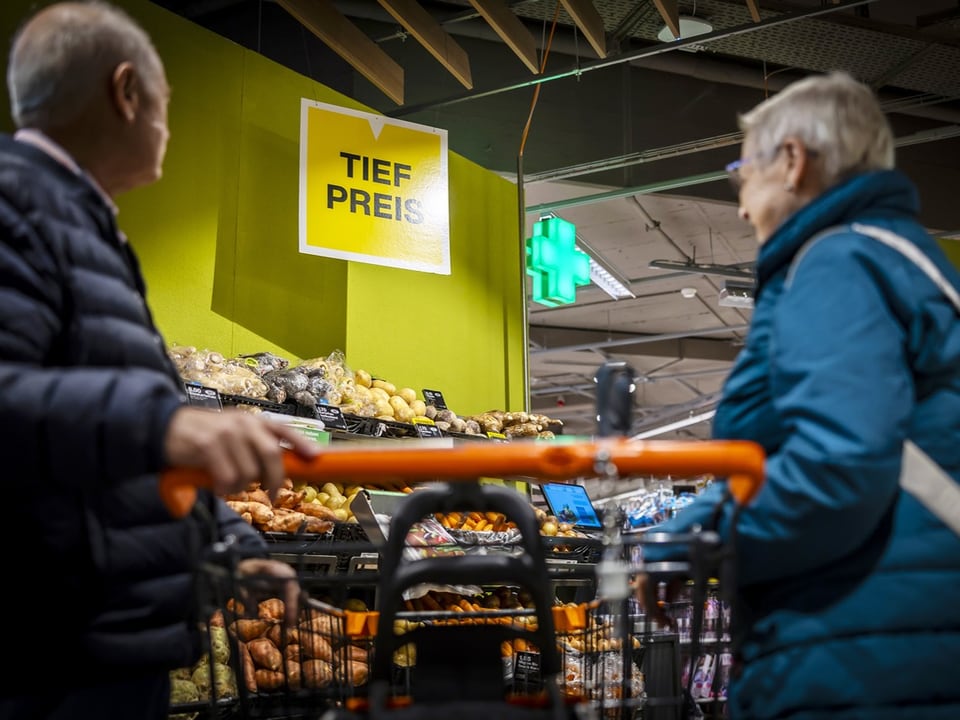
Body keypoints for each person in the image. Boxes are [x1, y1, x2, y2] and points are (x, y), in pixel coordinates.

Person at [0, 2, 320, 717]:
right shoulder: (15, 204)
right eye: (166, 104)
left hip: (113, 646)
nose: (168, 127)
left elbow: (120, 456)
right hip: (52, 657)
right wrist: (163, 424)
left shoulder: (83, 227)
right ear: (126, 91)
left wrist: (233, 546)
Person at [635, 71, 960, 719]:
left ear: (792, 162)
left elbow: (837, 465)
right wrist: (687, 531)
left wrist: (711, 547)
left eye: (741, 171)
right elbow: (804, 452)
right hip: (901, 626)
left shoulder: (836, 262)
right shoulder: (897, 257)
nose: (740, 205)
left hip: (858, 650)